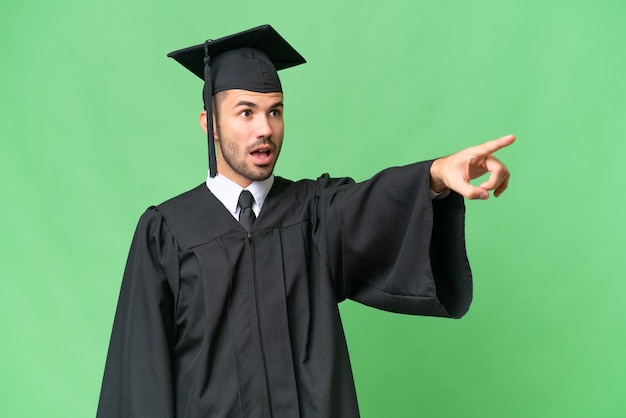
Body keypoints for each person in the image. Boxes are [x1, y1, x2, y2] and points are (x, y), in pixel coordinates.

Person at [96, 25, 514, 418]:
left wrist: (438, 174)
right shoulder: (167, 231)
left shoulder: (313, 213)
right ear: (210, 126)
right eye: (246, 113)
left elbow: (373, 204)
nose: (265, 128)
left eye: (275, 111)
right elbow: (139, 378)